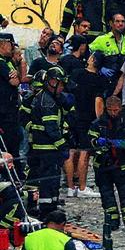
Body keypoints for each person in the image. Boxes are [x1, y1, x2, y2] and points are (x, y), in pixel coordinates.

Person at [88, 95, 125, 231]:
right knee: (107, 195)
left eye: (116, 110)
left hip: (122, 164)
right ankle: (112, 222)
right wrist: (97, 142)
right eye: (110, 110)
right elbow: (90, 140)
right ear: (106, 109)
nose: (113, 113)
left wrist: (123, 144)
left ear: (120, 108)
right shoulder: (98, 123)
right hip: (103, 165)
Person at [28, 67, 70, 216]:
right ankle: (47, 210)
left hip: (46, 147)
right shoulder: (48, 102)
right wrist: (63, 145)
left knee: (53, 178)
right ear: (52, 82)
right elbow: (51, 128)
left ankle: (52, 205)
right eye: (61, 84)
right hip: (48, 148)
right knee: (48, 180)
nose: (63, 88)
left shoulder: (47, 97)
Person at [65, 52, 104, 198]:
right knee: (84, 152)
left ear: (92, 60)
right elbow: (98, 102)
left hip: (73, 115)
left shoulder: (76, 73)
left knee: (70, 151)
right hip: (87, 118)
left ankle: (70, 187)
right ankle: (82, 187)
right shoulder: (99, 80)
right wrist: (99, 122)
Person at [89, 13, 125, 96]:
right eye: (117, 21)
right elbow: (88, 54)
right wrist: (99, 68)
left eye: (123, 21)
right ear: (111, 23)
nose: (120, 24)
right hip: (105, 82)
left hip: (123, 83)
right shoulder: (102, 39)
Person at [0, 34, 21, 158]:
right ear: (3, 44)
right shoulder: (2, 63)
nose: (12, 47)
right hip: (5, 112)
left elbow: (19, 78)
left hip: (9, 110)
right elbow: (15, 81)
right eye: (11, 44)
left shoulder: (7, 62)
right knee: (9, 144)